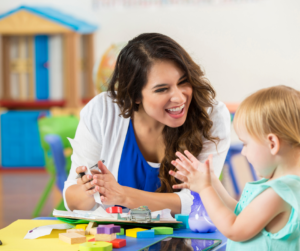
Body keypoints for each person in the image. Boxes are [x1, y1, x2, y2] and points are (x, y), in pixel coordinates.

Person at [63, 33, 231, 215]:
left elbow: (202, 201)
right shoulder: (101, 111)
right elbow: (71, 200)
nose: (179, 97)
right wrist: (91, 190)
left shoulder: (210, 115)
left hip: (185, 240)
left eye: (183, 82)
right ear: (135, 95)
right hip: (119, 240)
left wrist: (123, 195)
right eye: (162, 89)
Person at [170, 85, 300, 250]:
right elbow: (239, 213)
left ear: (272, 143)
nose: (243, 152)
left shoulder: (279, 192)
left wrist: (205, 188)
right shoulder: (286, 187)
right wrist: (213, 181)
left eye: (246, 143)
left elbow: (234, 228)